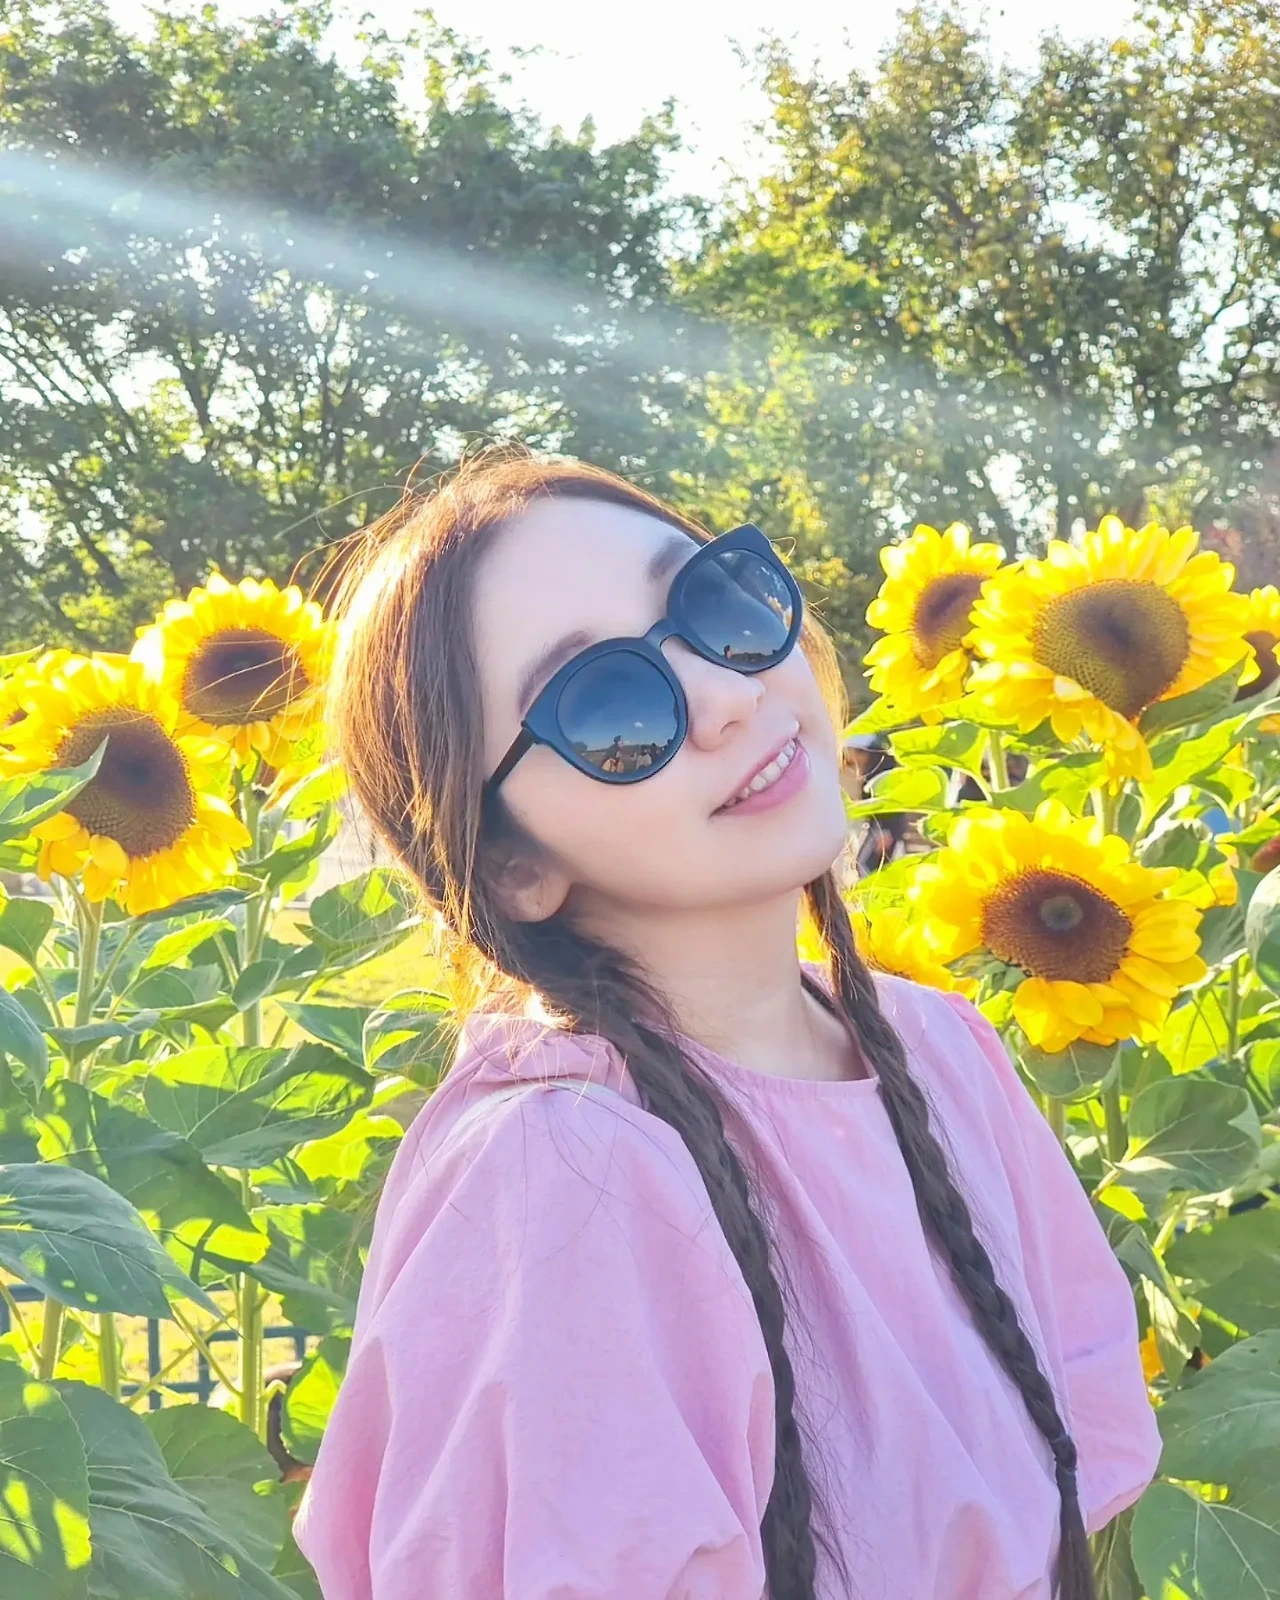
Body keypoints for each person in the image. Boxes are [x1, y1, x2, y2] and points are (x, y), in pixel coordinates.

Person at [294, 452, 1158, 1600]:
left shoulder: (938, 1049)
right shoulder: (563, 1174)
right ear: (508, 865)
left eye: (715, 605)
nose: (726, 695)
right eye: (605, 704)